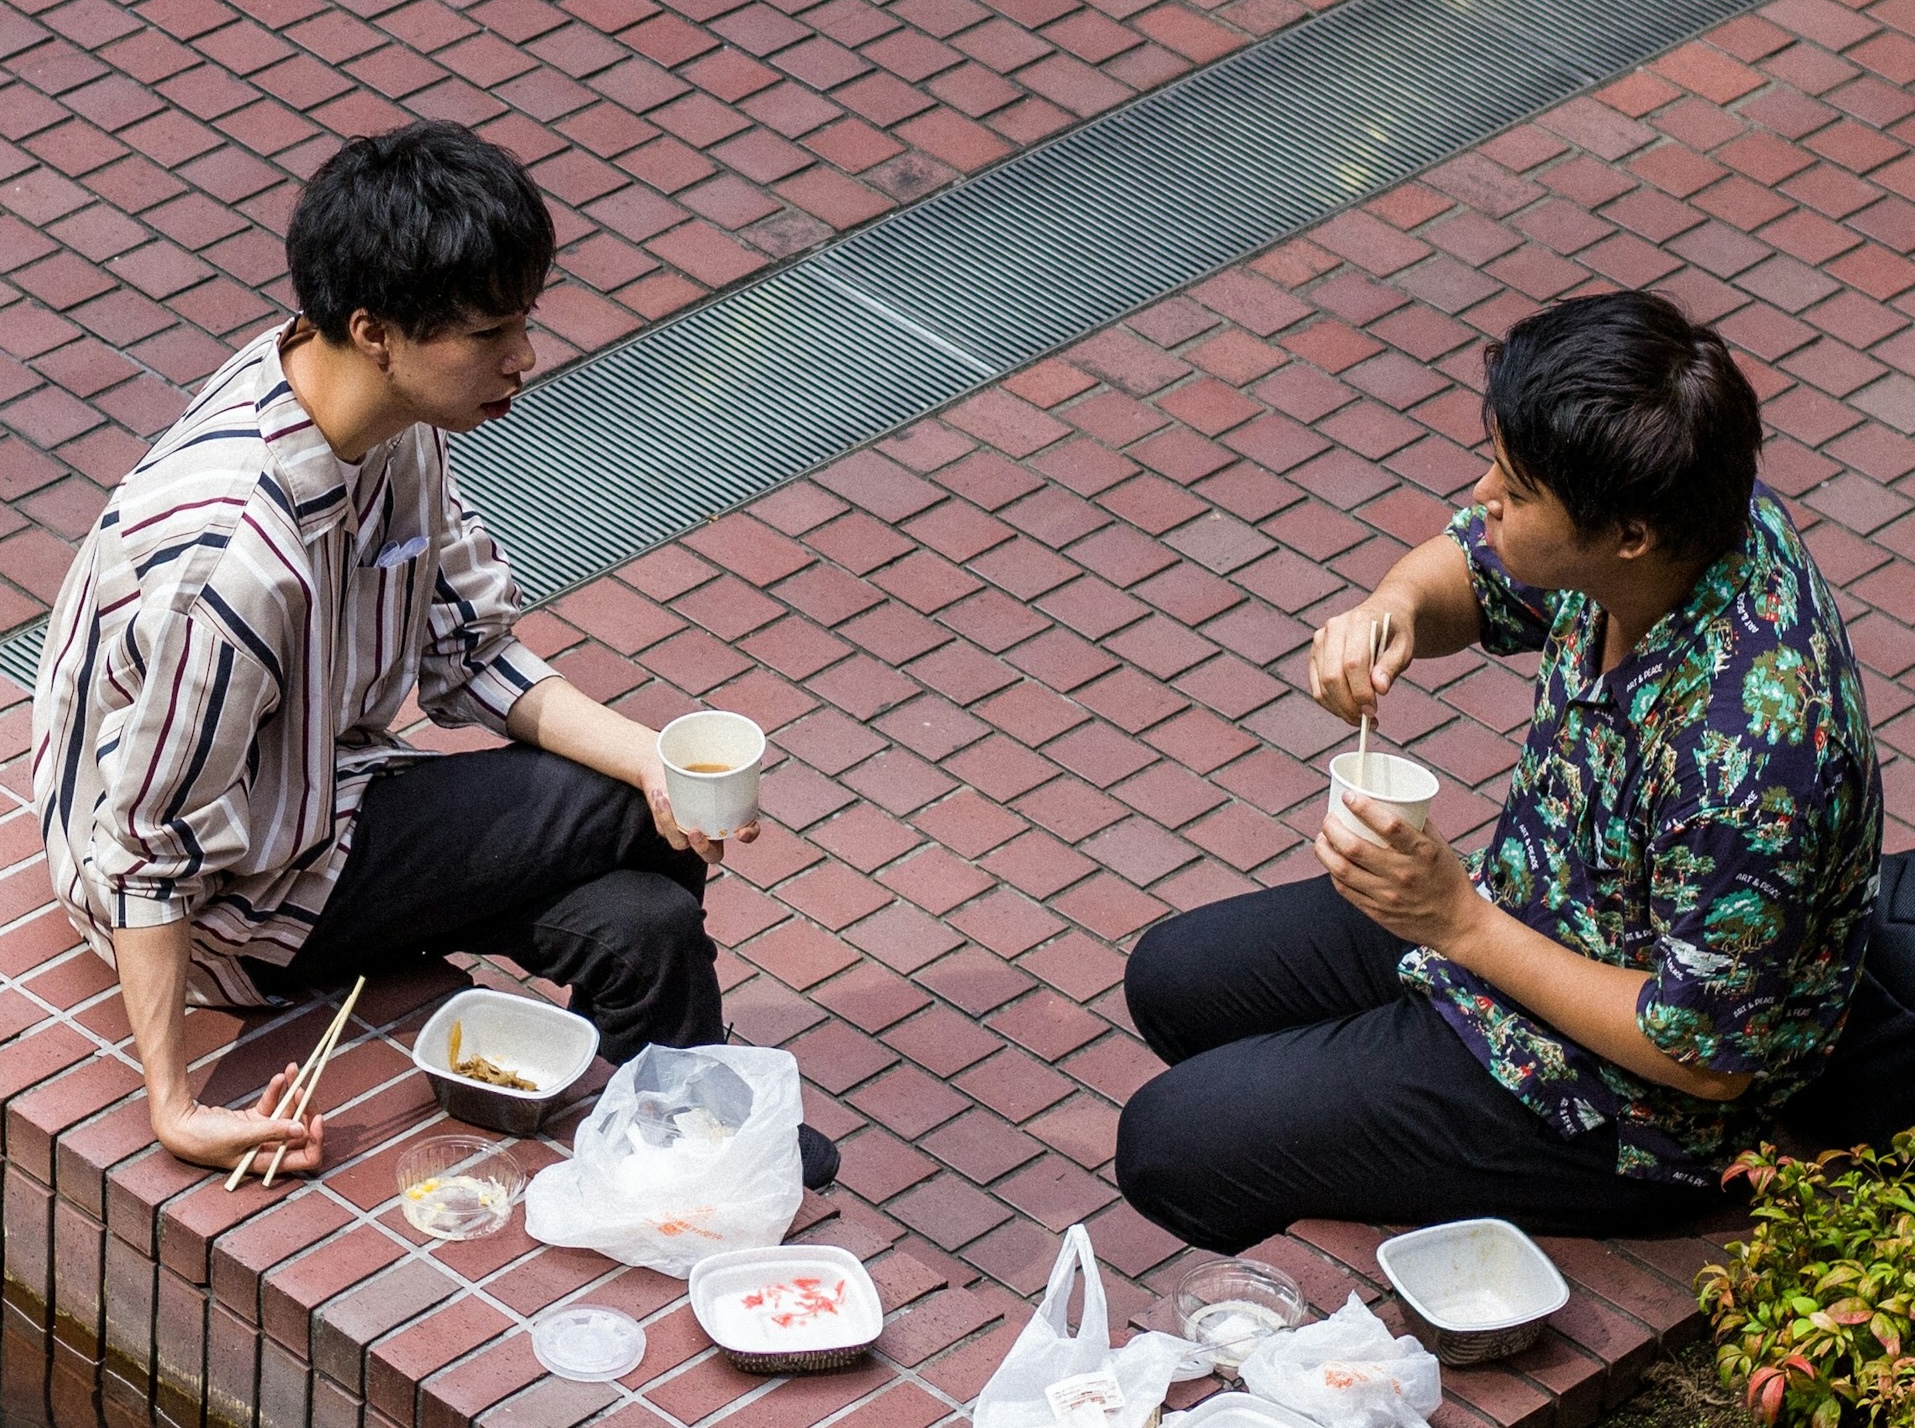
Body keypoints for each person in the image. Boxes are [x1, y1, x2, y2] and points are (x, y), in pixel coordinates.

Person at [32, 120, 836, 1189]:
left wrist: (651, 760)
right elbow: (142, 840)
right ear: (374, 330)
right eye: (489, 332)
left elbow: (469, 652)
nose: (524, 358)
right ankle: (678, 1101)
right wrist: (174, 1104)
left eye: (524, 320)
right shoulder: (235, 561)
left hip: (323, 794)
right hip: (235, 891)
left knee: (641, 919)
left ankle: (669, 1102)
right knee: (612, 808)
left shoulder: (381, 414)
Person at [1115, 291, 1883, 1250]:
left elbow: (1703, 1060)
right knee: (1174, 978)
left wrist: (1456, 923)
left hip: (1630, 1112)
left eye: (1516, 490)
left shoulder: (1748, 764)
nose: (1483, 492)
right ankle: (1338, 1130)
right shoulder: (1686, 520)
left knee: (1169, 1141)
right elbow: (1471, 570)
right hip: (1525, 913)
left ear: (1626, 535)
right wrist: (1390, 611)